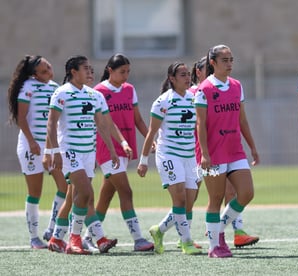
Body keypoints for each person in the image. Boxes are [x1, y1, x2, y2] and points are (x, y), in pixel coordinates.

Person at [44, 55, 119, 255]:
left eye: (90, 68)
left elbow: (102, 125)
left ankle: (57, 238)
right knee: (85, 193)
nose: (89, 72)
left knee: (77, 197)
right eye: (85, 68)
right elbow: (51, 124)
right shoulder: (61, 93)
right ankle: (74, 240)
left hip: (88, 152)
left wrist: (112, 150)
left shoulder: (94, 95)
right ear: (73, 72)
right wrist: (53, 151)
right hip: (70, 151)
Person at [194, 44, 260, 258]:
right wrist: (204, 153)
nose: (230, 64)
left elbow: (242, 120)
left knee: (247, 193)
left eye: (231, 60)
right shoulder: (204, 89)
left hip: (235, 150)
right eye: (225, 60)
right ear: (212, 63)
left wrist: (252, 146)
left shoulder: (237, 86)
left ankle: (218, 229)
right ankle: (214, 247)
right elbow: (200, 125)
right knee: (216, 197)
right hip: (212, 153)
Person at [88, 53, 154, 252]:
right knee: (126, 191)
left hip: (125, 147)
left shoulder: (129, 90)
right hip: (107, 148)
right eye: (121, 71)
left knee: (106, 196)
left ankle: (88, 238)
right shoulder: (98, 91)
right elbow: (101, 123)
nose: (126, 75)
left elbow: (138, 120)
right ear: (110, 70)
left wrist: (151, 140)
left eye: (128, 71)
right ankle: (138, 239)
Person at [137, 61, 202, 255]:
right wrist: (143, 161)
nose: (187, 77)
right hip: (169, 155)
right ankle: (186, 242)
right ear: (172, 79)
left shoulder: (194, 98)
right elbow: (151, 133)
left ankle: (159, 230)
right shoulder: (163, 102)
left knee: (189, 201)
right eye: (182, 74)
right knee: (180, 198)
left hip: (189, 156)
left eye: (187, 74)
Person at [7, 55, 68, 249]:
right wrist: (32, 142)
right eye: (44, 71)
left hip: (51, 146)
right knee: (35, 192)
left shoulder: (55, 87)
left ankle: (51, 229)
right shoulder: (27, 88)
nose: (49, 72)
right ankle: (34, 237)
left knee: (64, 187)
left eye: (49, 67)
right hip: (31, 146)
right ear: (34, 74)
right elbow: (21, 118)